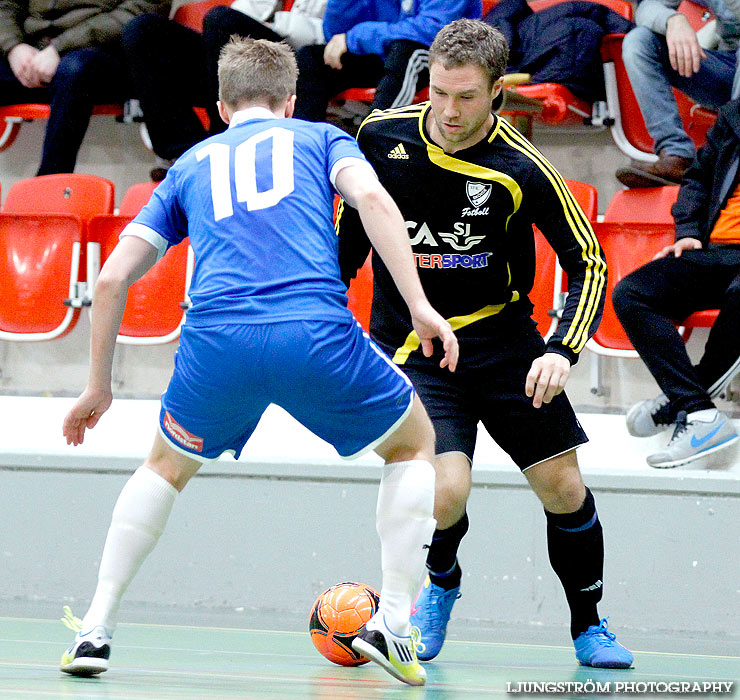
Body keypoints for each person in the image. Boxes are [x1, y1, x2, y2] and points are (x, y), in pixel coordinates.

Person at [59, 36, 459, 688]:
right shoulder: (321, 139)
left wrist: (97, 387)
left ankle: (97, 626)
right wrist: (418, 304)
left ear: (220, 106)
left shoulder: (189, 163)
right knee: (415, 445)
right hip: (313, 331)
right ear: (292, 98)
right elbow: (377, 202)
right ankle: (394, 621)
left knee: (163, 467)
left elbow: (109, 282)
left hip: (217, 343)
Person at [338, 18, 634, 669]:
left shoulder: (522, 168)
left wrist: (561, 349)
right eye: (439, 92)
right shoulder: (378, 137)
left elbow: (588, 258)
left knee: (564, 487)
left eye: (466, 96)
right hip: (416, 354)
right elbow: (345, 249)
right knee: (444, 490)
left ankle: (589, 625)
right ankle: (440, 583)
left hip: (507, 348)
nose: (448, 110)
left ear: (497, 91)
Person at [613, 98, 740, 468]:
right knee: (632, 294)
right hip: (714, 248)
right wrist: (686, 230)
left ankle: (686, 401)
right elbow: (698, 178)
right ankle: (699, 411)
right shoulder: (734, 115)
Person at [122, 0, 326, 180]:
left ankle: (224, 147)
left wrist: (276, 23)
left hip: (298, 58)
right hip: (244, 61)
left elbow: (328, 33)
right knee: (144, 30)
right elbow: (244, 13)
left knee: (221, 21)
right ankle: (184, 154)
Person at [0, 0, 167, 175]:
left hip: (104, 52)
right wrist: (13, 47)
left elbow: (144, 7)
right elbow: (7, 6)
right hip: (33, 55)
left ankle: (49, 185)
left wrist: (59, 48)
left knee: (74, 69)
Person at [615, 0, 740, 188]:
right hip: (727, 68)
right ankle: (676, 155)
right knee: (639, 40)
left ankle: (734, 158)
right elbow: (647, 8)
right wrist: (672, 20)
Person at [292, 0, 482, 123]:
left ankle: (374, 142)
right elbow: (335, 34)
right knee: (312, 57)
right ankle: (305, 147)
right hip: (385, 56)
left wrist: (356, 37)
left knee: (406, 51)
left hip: (444, 61)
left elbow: (434, 32)